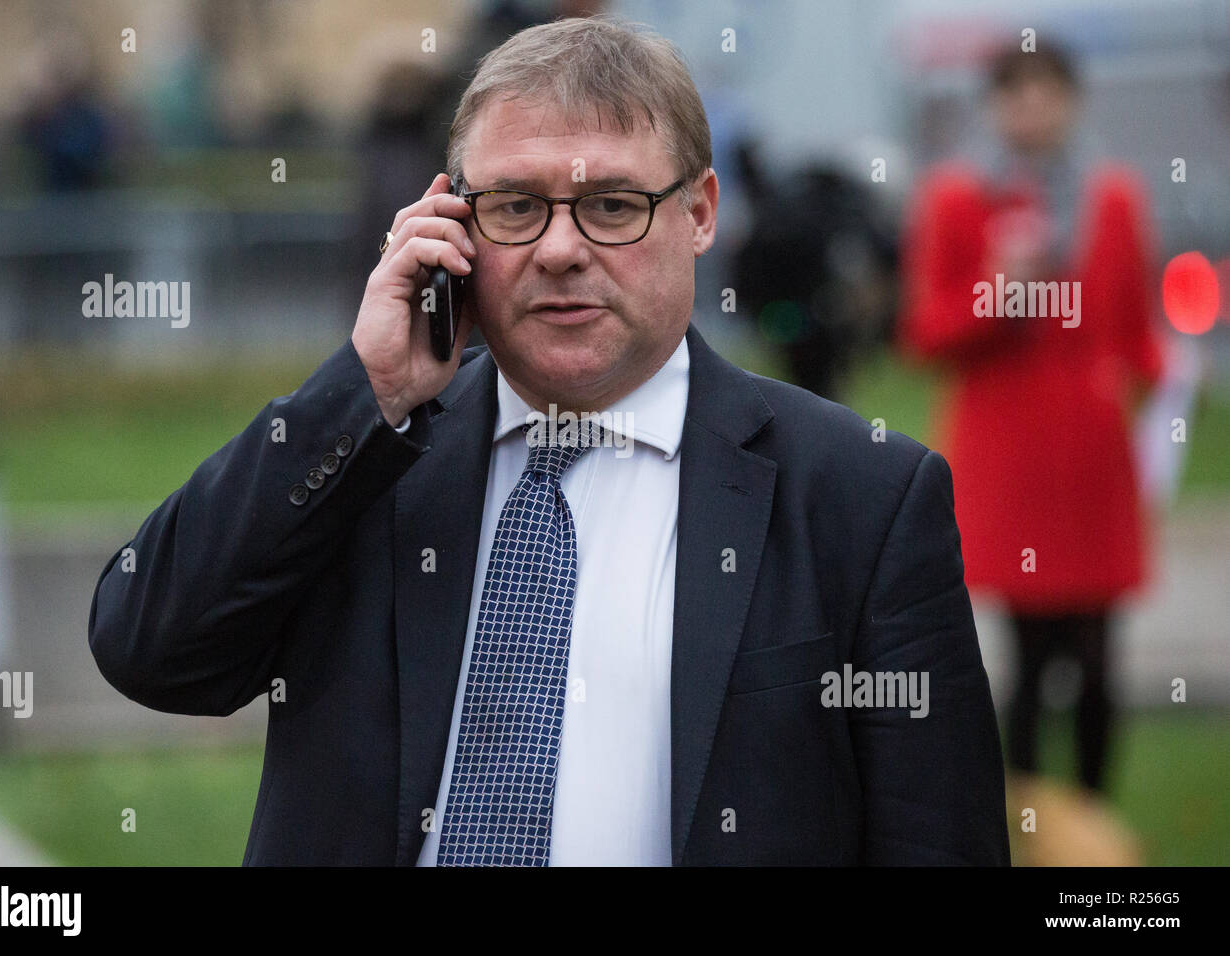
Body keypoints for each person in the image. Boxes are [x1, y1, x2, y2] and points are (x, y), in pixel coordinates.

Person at [89, 16, 1008, 866]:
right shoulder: (367, 456)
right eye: (517, 206)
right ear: (452, 223)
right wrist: (361, 394)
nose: (561, 248)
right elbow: (150, 651)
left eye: (612, 204)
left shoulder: (862, 497)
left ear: (699, 212)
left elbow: (939, 842)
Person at [898, 41, 1166, 794]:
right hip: (1009, 453)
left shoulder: (1113, 198)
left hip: (1091, 457)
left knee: (1099, 654)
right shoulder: (957, 199)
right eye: (1015, 93)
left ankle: (1094, 828)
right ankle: (1029, 825)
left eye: (1047, 92)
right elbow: (925, 336)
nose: (1032, 108)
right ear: (993, 105)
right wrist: (998, 290)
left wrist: (1166, 380)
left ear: (1073, 101)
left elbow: (1136, 331)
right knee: (1029, 654)